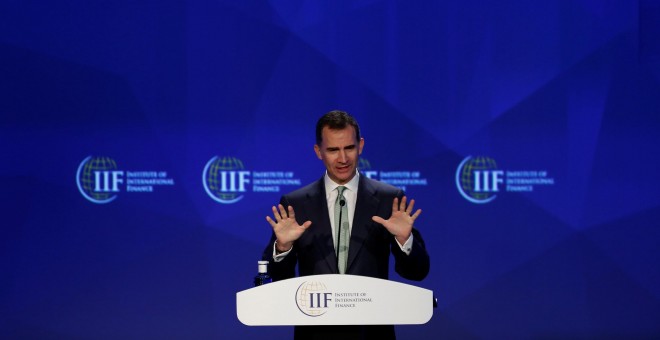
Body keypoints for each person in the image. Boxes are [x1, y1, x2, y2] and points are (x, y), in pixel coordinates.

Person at [262, 110, 430, 340]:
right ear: (318, 152)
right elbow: (275, 279)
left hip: (371, 333)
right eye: (332, 150)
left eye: (349, 148)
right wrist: (282, 248)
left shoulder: (388, 199)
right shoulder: (296, 204)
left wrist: (404, 240)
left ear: (360, 146)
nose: (343, 159)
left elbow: (417, 272)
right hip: (315, 334)